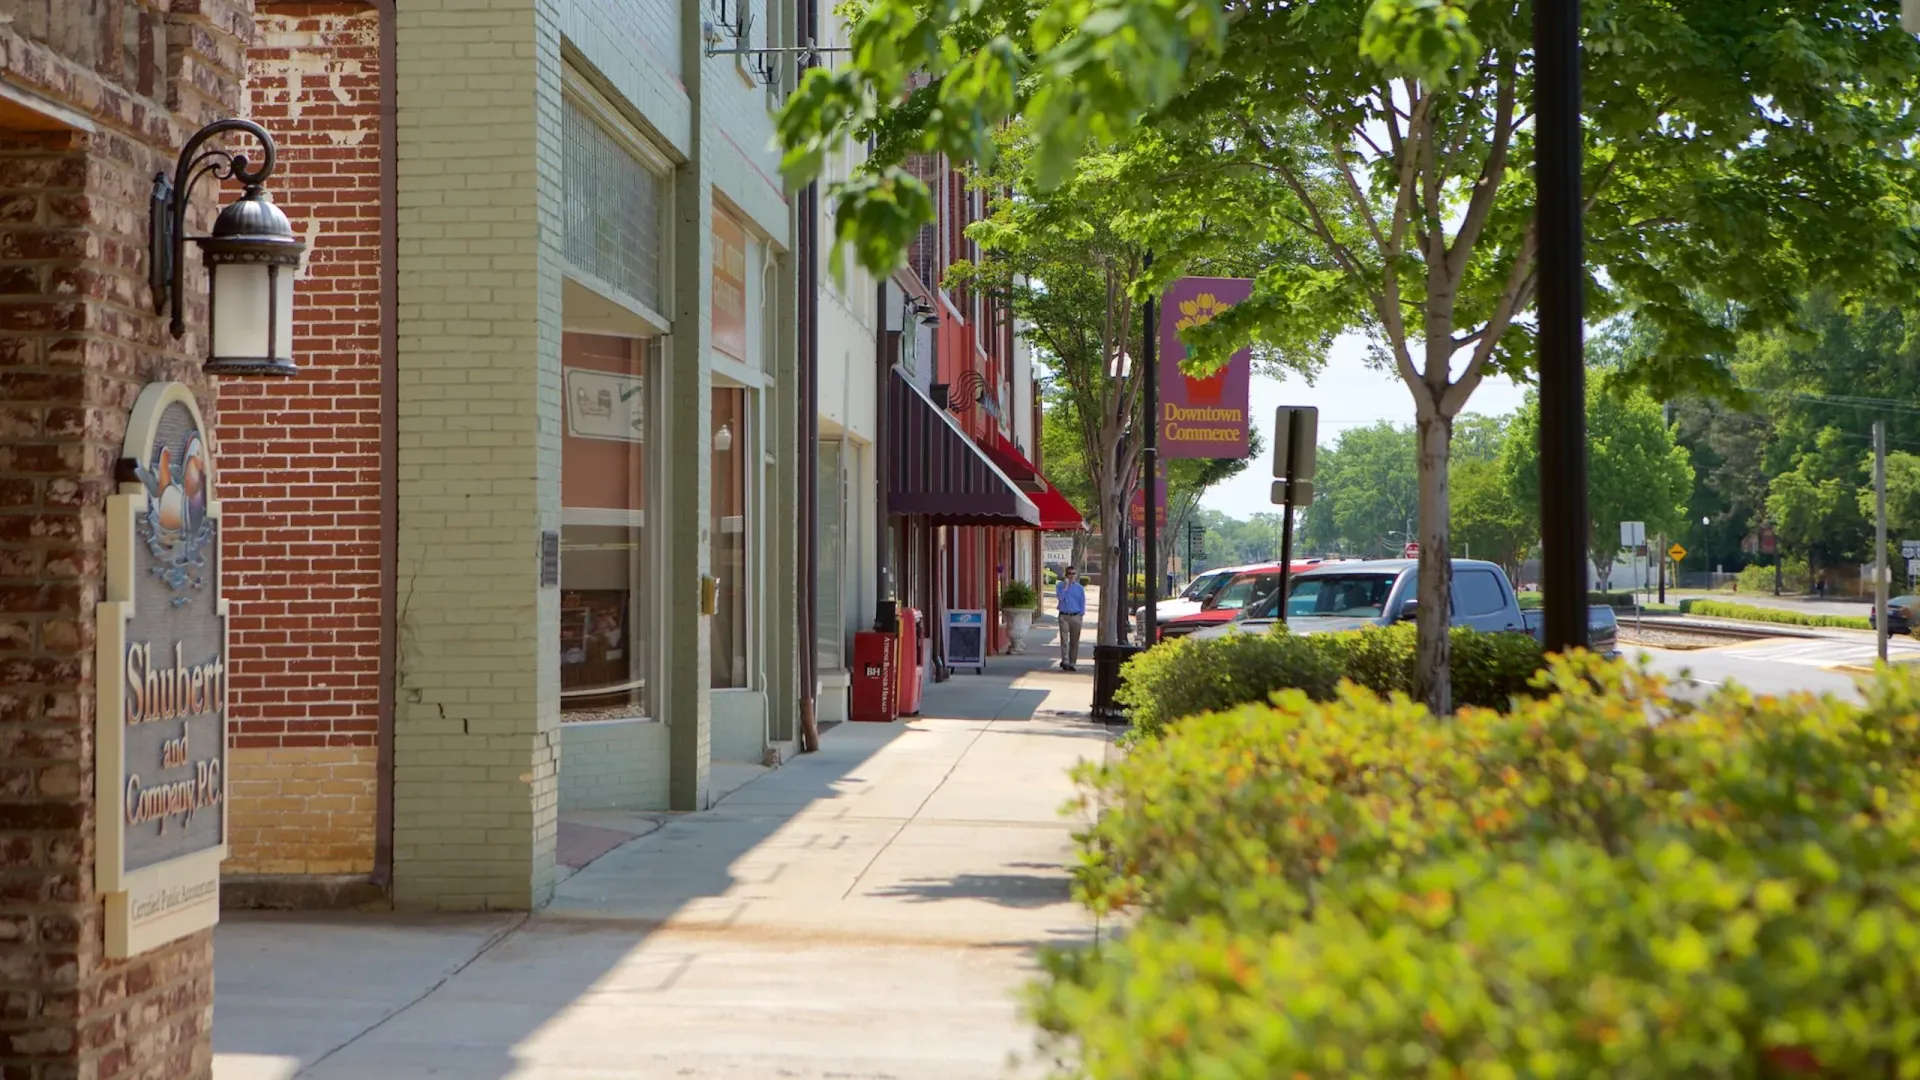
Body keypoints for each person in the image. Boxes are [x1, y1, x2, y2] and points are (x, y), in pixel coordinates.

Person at [1055, 566, 1086, 672]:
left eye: (1073, 573)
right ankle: (1065, 661)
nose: (1071, 576)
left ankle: (1072, 663)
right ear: (1066, 575)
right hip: (1064, 616)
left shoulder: (1080, 588)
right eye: (1069, 573)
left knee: (1074, 641)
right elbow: (1060, 598)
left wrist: (1081, 615)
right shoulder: (1060, 586)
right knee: (1064, 640)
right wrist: (1066, 586)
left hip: (1076, 616)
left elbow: (1082, 603)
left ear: (1076, 575)